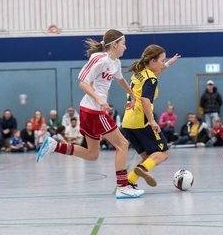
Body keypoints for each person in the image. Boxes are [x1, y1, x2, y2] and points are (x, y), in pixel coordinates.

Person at [36, 29, 144, 199]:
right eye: (123, 43)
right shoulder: (98, 59)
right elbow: (83, 84)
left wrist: (132, 94)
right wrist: (99, 100)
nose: (125, 47)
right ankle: (122, 187)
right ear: (114, 44)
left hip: (90, 111)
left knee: (92, 154)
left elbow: (120, 79)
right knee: (123, 144)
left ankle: (54, 146)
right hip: (93, 110)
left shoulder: (115, 63)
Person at [122, 44, 180, 189]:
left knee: (148, 158)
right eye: (161, 60)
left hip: (128, 122)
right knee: (162, 153)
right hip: (142, 121)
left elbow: (156, 72)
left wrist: (168, 64)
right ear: (152, 61)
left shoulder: (140, 73)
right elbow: (145, 100)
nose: (162, 63)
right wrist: (152, 121)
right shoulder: (151, 79)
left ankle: (128, 182)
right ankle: (142, 170)